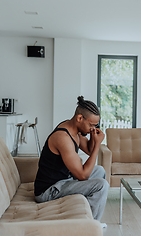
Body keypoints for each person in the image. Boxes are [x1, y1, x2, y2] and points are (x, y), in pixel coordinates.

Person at [34, 96, 109, 227]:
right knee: (102, 185)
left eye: (95, 126)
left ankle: (86, 213)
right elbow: (83, 175)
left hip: (64, 180)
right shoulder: (63, 138)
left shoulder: (74, 129)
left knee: (100, 170)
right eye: (91, 125)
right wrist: (98, 145)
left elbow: (89, 150)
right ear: (80, 118)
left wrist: (93, 138)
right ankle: (91, 226)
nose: (92, 128)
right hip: (49, 191)